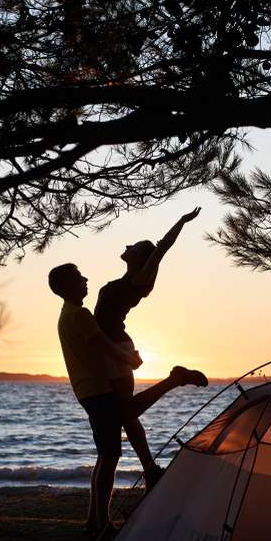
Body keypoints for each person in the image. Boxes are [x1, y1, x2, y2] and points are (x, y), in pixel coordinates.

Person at [48, 262, 207, 534]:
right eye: (79, 277)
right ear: (66, 286)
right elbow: (103, 345)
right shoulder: (80, 315)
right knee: (112, 452)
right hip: (97, 389)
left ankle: (94, 522)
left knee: (107, 453)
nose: (85, 279)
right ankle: (102, 523)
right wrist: (130, 360)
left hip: (88, 390)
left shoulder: (67, 315)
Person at [94, 207, 204, 491]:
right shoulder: (127, 282)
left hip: (115, 348)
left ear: (141, 259)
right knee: (126, 416)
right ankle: (151, 470)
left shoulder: (137, 281)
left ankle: (174, 379)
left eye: (133, 246)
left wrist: (180, 220)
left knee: (126, 412)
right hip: (112, 347)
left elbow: (163, 248)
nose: (126, 246)